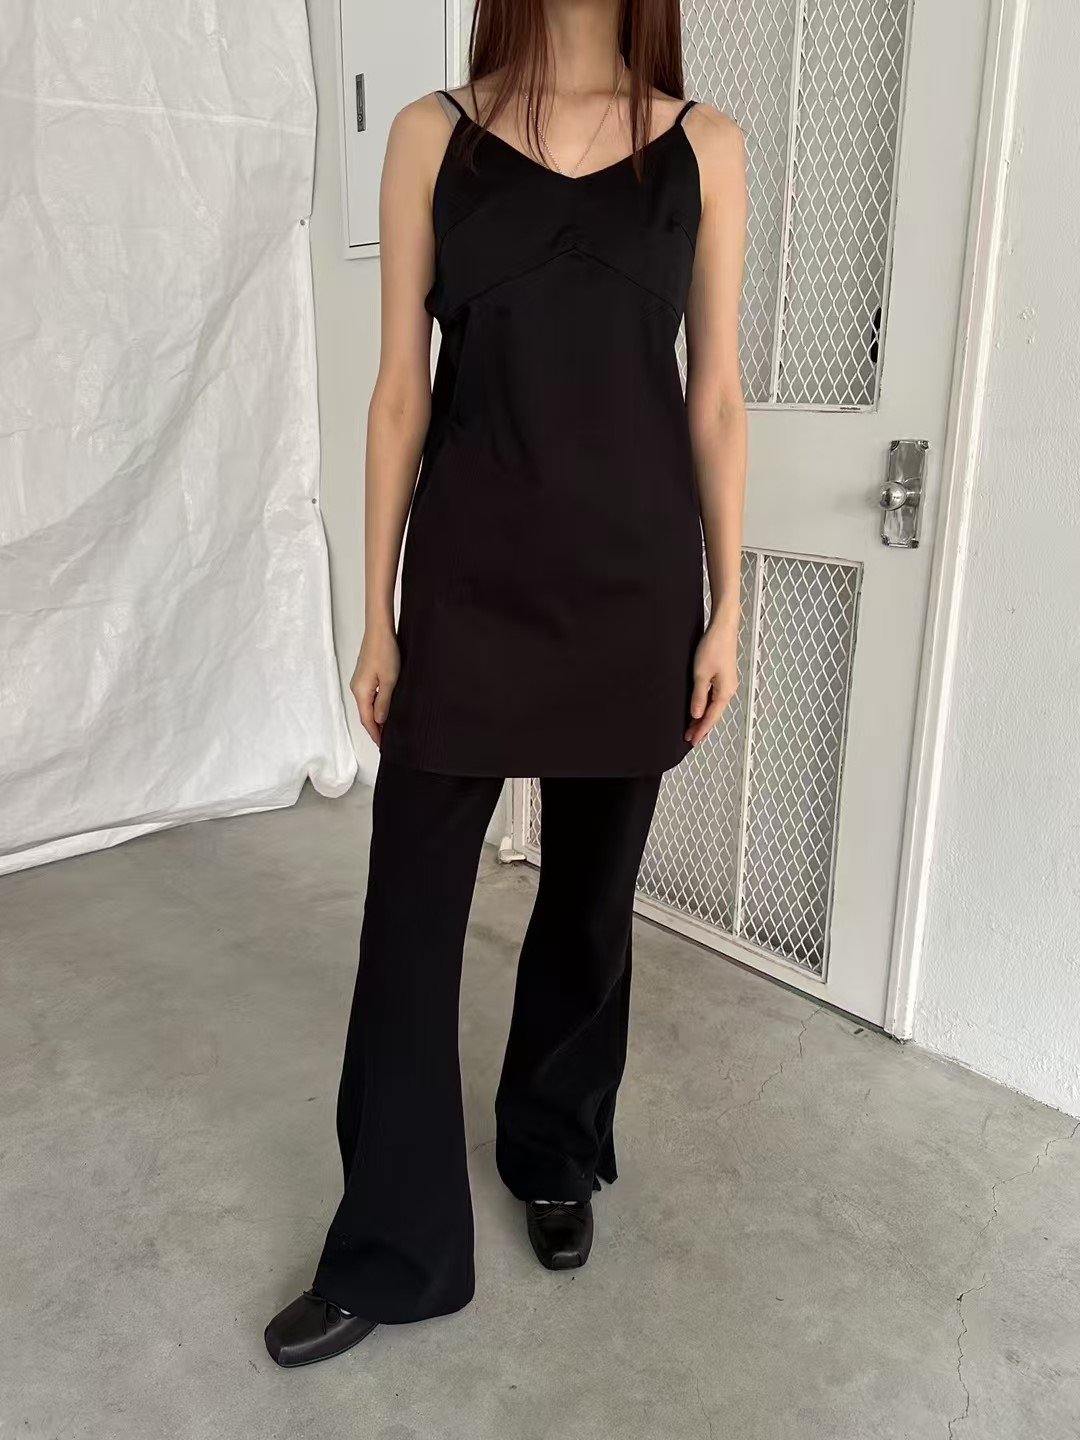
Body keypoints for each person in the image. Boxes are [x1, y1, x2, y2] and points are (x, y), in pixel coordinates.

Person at [264, 0, 747, 1367]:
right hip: (468, 585)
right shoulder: (433, 137)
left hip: (633, 593)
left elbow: (715, 396)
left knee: (590, 906)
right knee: (409, 920)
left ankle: (554, 1150)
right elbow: (397, 394)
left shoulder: (708, 148)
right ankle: (393, 1245)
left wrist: (729, 606)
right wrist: (375, 614)